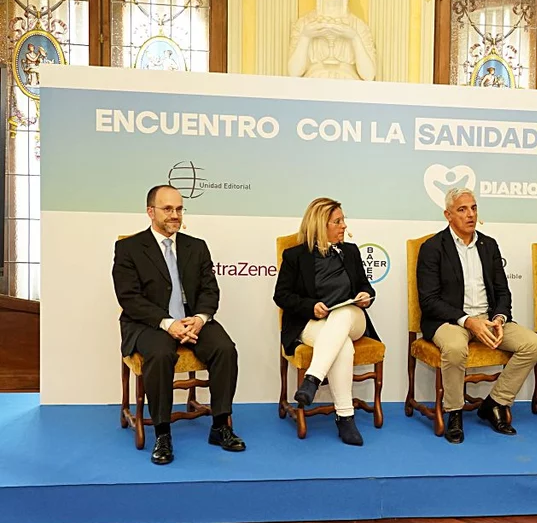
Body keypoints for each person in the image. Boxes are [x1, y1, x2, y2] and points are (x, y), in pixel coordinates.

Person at [112, 185, 245, 465]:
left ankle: (221, 426)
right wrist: (167, 323)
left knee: (225, 349)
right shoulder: (129, 248)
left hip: (192, 320)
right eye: (168, 209)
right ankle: (162, 433)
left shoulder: (196, 246)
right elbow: (129, 298)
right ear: (151, 212)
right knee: (160, 355)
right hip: (148, 323)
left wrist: (200, 319)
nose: (175, 215)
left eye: (179, 209)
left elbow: (211, 290)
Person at [417, 188, 537, 443]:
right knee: (454, 348)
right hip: (451, 320)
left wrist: (499, 318)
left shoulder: (489, 245)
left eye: (473, 208)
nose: (470, 214)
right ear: (448, 215)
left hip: (488, 317)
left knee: (534, 344)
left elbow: (502, 292)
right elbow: (429, 301)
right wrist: (468, 321)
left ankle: (495, 403)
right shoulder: (432, 248)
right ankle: (454, 411)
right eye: (462, 209)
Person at [274, 198, 379, 446]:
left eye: (343, 220)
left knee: (342, 316)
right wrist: (310, 306)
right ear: (321, 224)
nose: (344, 225)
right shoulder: (295, 256)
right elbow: (282, 296)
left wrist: (365, 296)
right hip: (313, 322)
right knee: (342, 346)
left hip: (352, 317)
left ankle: (312, 379)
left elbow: (365, 285)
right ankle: (345, 417)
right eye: (338, 221)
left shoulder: (351, 251)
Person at [287, 0, 376, 81]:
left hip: (349, 89)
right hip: (312, 87)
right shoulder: (304, 24)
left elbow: (369, 75)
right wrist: (305, 37)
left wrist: (354, 38)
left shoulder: (358, 26)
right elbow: (294, 72)